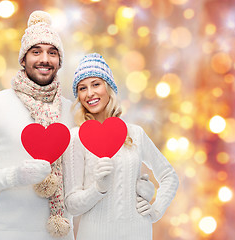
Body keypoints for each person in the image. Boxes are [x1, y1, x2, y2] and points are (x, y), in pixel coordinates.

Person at [0, 11, 75, 240]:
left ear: (59, 61)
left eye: (52, 53)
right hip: (11, 234)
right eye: (36, 52)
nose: (45, 59)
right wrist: (15, 176)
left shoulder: (72, 111)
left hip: (61, 234)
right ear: (23, 59)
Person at [63, 53, 179, 240]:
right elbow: (71, 205)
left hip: (137, 233)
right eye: (82, 88)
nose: (90, 93)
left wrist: (156, 209)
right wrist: (98, 188)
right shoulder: (76, 138)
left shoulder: (135, 134)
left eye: (96, 84)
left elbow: (169, 177)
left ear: (108, 87)